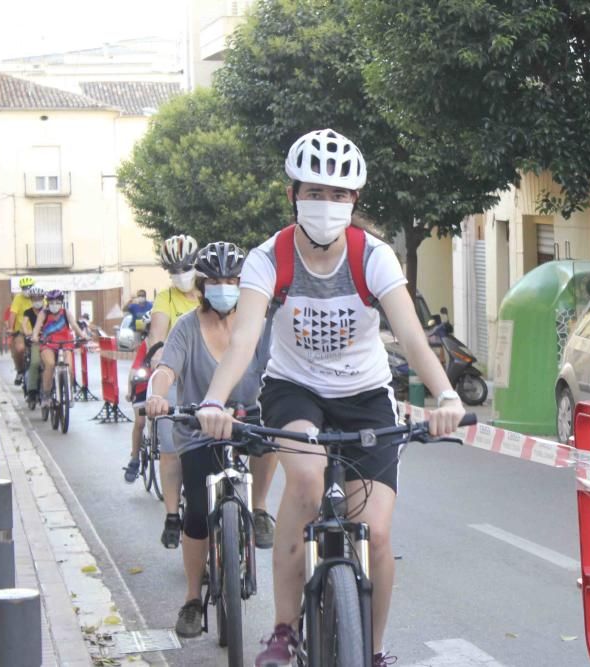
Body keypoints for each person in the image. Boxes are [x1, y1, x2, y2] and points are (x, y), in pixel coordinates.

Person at [196, 129, 465, 667]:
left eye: (339, 194)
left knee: (378, 531)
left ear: (355, 201)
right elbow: (245, 337)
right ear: (293, 194)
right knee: (306, 480)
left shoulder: (375, 257)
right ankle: (282, 630)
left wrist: (445, 396)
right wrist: (214, 401)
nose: (327, 204)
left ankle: (376, 649)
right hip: (295, 391)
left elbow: (410, 335)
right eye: (315, 192)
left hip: (366, 394)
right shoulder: (269, 258)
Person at [147, 241, 278, 638]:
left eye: (232, 280)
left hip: (248, 422)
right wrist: (156, 393)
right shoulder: (186, 325)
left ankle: (257, 509)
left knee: (270, 434)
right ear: (202, 285)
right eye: (216, 280)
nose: (224, 287)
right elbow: (167, 368)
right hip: (197, 430)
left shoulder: (259, 323)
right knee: (198, 513)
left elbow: (278, 368)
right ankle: (191, 599)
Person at [122, 236, 200, 528]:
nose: (181, 273)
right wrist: (157, 358)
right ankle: (171, 515)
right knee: (169, 447)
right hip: (175, 377)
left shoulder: (210, 292)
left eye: (186, 267)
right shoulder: (166, 297)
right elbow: (157, 333)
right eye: (174, 269)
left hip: (210, 377)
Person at [31, 290, 89, 404]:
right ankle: (46, 395)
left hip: (66, 343)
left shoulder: (66, 313)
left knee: (70, 369)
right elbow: (37, 328)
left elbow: (75, 326)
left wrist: (83, 336)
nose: (54, 305)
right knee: (50, 364)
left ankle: (69, 392)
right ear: (47, 303)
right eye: (51, 302)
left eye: (57, 302)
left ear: (61, 302)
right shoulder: (44, 313)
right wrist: (34, 336)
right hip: (48, 343)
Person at [7, 276, 36, 385]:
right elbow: (13, 314)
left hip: (36, 331)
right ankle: (20, 370)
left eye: (28, 287)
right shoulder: (18, 298)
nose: (26, 290)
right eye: (24, 288)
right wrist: (11, 329)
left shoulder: (38, 297)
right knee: (19, 349)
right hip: (21, 331)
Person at [21, 287, 47, 405]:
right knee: (34, 363)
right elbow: (24, 324)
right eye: (34, 299)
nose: (37, 300)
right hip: (35, 340)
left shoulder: (47, 311)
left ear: (43, 299)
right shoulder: (28, 312)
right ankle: (32, 391)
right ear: (31, 299)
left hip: (48, 340)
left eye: (39, 298)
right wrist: (28, 333)